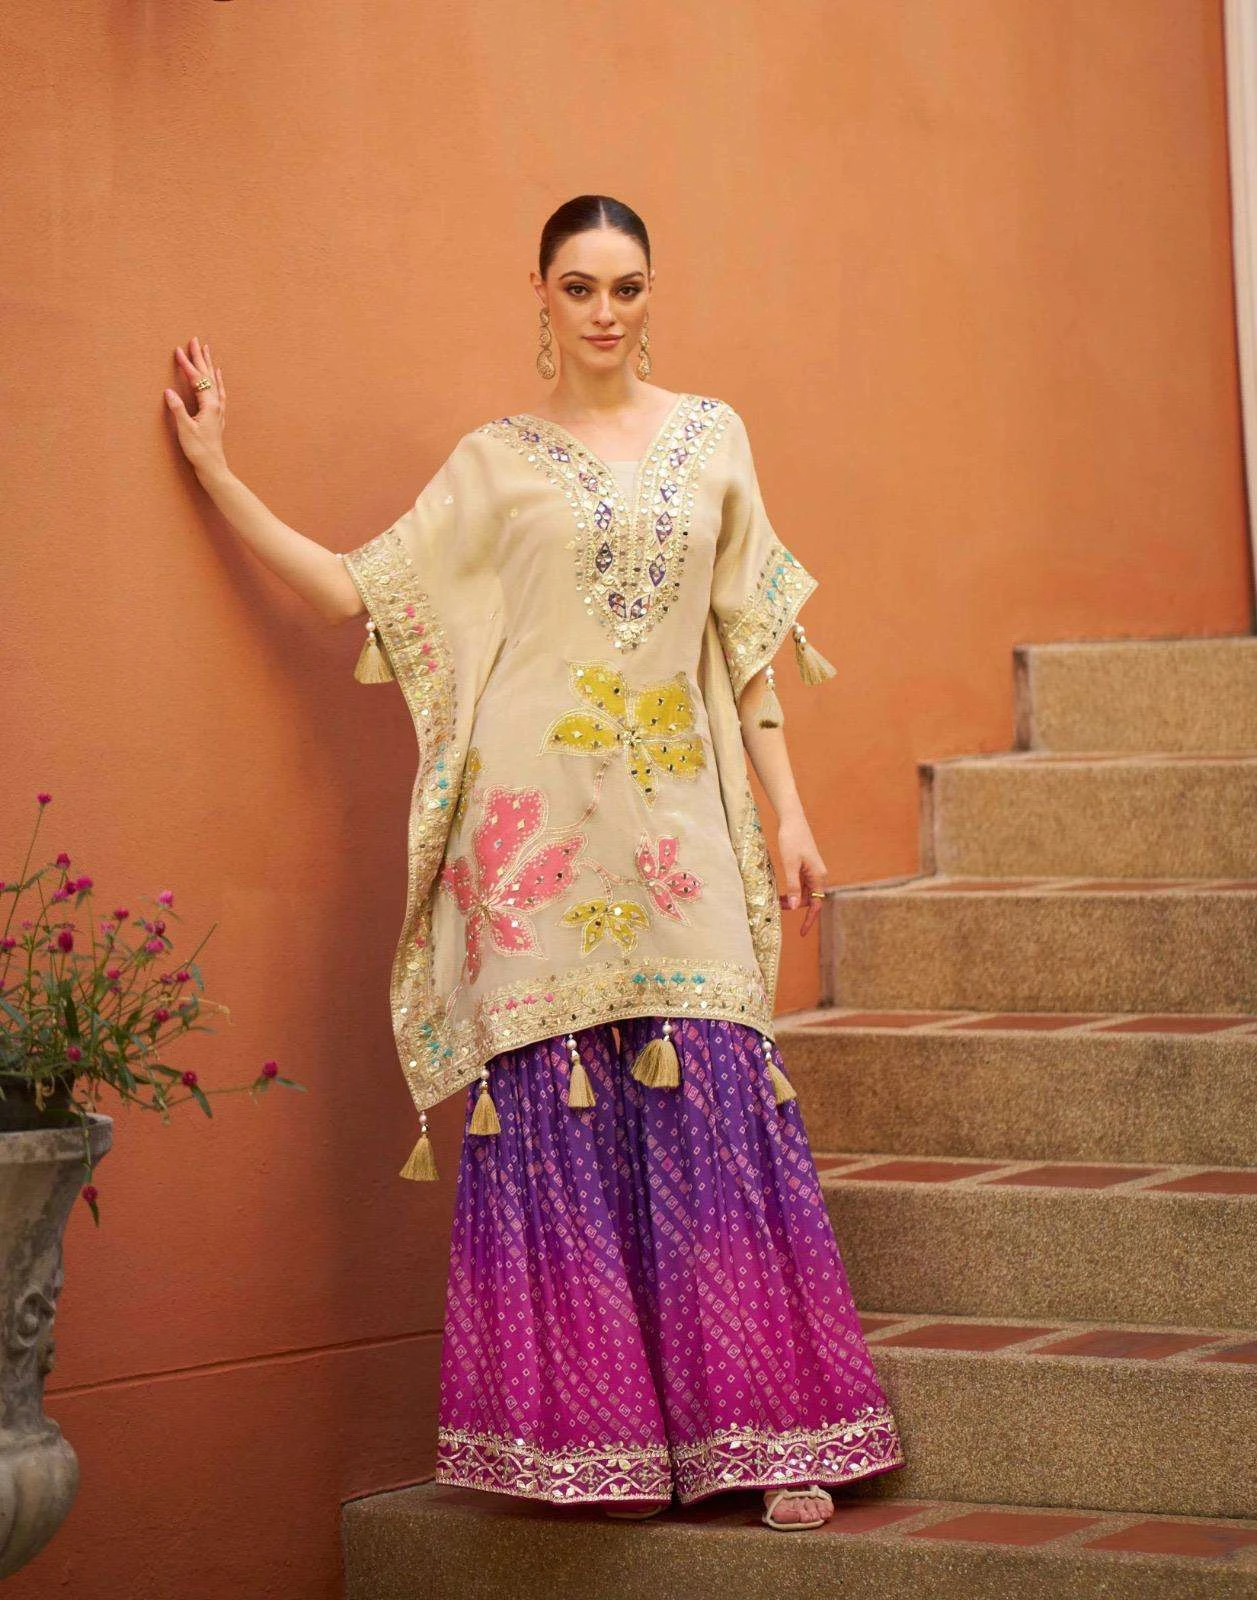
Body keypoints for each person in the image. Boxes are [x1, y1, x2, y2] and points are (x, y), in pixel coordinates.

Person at [163, 193, 906, 1529]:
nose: (605, 313)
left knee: (714, 1097)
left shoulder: (714, 437)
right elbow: (350, 591)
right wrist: (218, 471)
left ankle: (772, 1436)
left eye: (627, 287)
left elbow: (744, 645)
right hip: (532, 848)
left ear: (652, 294)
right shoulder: (493, 464)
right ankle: (603, 1450)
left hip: (679, 834)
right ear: (541, 296)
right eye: (580, 288)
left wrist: (788, 814)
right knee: (560, 1119)